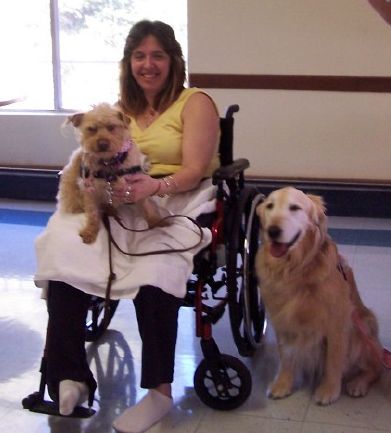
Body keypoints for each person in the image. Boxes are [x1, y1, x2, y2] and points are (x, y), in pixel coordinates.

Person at [34, 20, 220, 433]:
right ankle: (69, 375)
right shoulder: (120, 110)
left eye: (157, 55)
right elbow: (95, 159)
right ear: (129, 62)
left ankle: (158, 392)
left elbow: (194, 169)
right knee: (64, 249)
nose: (148, 64)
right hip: (117, 197)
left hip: (176, 194)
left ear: (173, 60)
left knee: (157, 272)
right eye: (139, 56)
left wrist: (155, 185)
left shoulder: (195, 103)